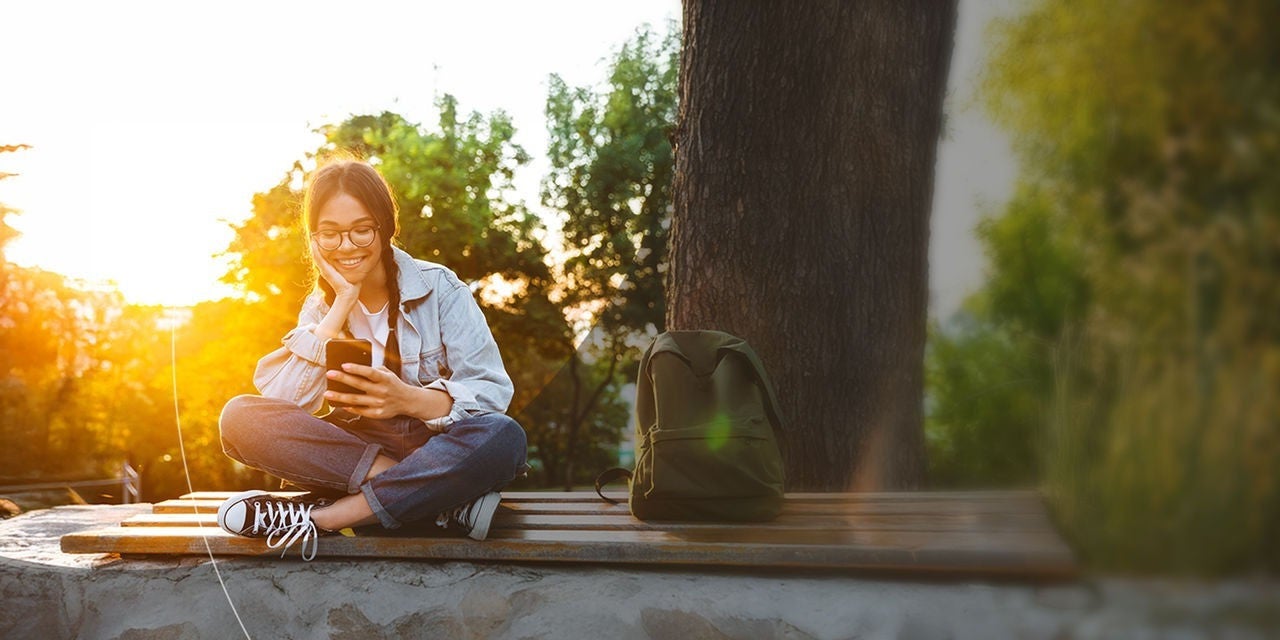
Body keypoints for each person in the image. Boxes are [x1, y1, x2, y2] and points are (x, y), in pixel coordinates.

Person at [216, 158, 528, 560]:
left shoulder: (440, 287)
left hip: (436, 449)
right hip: (357, 455)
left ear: (385, 227)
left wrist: (408, 400)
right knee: (239, 418)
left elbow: (491, 394)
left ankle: (321, 517)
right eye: (330, 234)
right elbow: (285, 404)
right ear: (314, 239)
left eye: (362, 230)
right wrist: (340, 305)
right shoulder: (320, 308)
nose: (347, 247)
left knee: (504, 436)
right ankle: (440, 502)